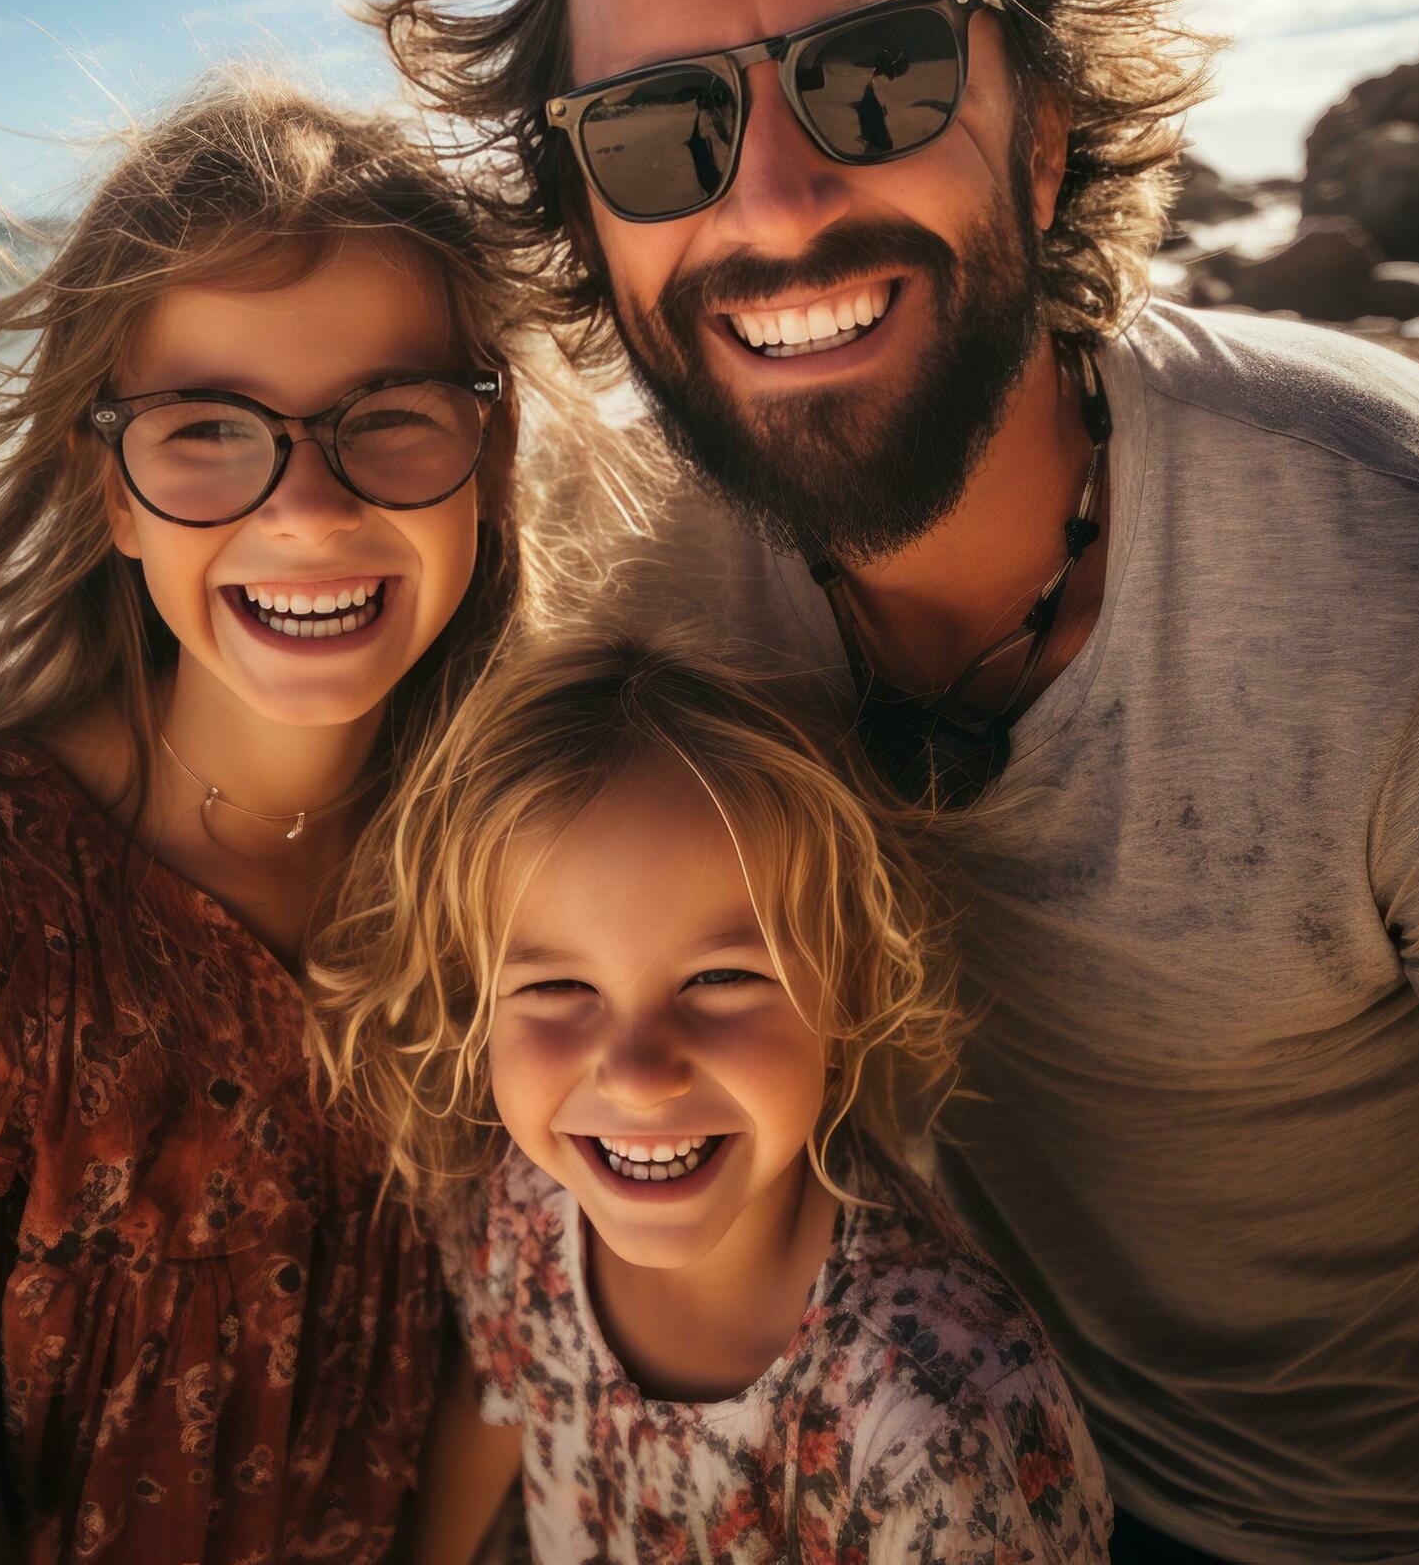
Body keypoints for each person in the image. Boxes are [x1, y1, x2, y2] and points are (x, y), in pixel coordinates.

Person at [368, 0, 1419, 1560]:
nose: (774, 196)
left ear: (1042, 130)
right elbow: (270, 705)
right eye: (655, 128)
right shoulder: (620, 586)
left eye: (875, 73)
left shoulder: (1414, 593)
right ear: (587, 218)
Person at [0, 77, 606, 1561]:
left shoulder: (541, 856)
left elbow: (516, 1333)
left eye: (392, 418)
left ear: (488, 464)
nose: (307, 507)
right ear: (107, 490)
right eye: (207, 433)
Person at [313, 630, 1112, 1563]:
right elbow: (496, 1398)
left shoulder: (941, 1417)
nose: (641, 1074)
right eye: (557, 989)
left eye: (721, 978)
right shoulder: (521, 1213)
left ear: (850, 984)